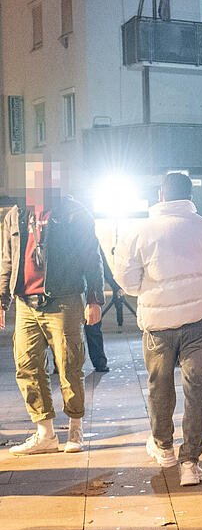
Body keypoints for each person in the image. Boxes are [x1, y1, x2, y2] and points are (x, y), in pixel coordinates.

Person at [114, 172, 202, 486]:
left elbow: (126, 280)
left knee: (159, 386)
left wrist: (150, 292)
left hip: (157, 325)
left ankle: (163, 446)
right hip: (198, 321)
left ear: (161, 195)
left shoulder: (137, 232)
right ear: (189, 196)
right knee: (197, 390)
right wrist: (196, 289)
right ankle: (191, 463)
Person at [0, 157, 104, 455]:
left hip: (64, 300)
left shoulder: (73, 212)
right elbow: (7, 259)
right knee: (27, 365)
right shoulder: (16, 215)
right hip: (25, 303)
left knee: (70, 365)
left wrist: (94, 299)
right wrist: (2, 298)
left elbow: (91, 257)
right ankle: (44, 433)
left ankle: (75, 428)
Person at [84, 245, 122, 373]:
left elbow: (101, 266)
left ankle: (100, 362)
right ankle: (100, 363)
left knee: (93, 328)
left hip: (87, 291)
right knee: (93, 329)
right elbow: (103, 266)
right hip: (80, 290)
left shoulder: (88, 239)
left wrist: (114, 286)